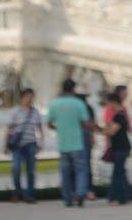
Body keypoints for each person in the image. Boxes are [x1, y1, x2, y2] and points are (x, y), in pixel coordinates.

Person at [48, 79, 91, 207]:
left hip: (63, 143)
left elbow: (49, 123)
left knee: (65, 172)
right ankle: (80, 193)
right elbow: (84, 123)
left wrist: (60, 129)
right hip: (77, 142)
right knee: (80, 170)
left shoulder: (54, 104)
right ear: (73, 89)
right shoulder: (78, 104)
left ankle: (67, 198)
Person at [4, 88, 43, 204]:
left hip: (31, 144)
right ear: (22, 98)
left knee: (30, 171)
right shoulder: (15, 112)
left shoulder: (35, 112)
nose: (30, 99)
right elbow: (9, 129)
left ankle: (30, 195)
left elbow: (39, 128)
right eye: (28, 96)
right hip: (17, 146)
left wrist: (41, 142)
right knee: (16, 169)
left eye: (31, 97)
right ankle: (18, 192)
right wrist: (5, 144)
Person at [101, 92, 132, 206]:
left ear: (113, 102)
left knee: (117, 174)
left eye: (108, 103)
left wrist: (102, 131)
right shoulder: (119, 115)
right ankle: (126, 195)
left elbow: (112, 131)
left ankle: (115, 197)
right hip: (120, 148)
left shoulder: (119, 115)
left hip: (121, 148)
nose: (108, 106)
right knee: (120, 173)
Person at [76, 93, 97, 201]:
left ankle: (86, 190)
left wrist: (92, 137)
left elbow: (92, 124)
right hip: (80, 139)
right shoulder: (86, 108)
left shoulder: (87, 108)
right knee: (85, 165)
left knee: (84, 165)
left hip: (83, 139)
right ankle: (86, 190)